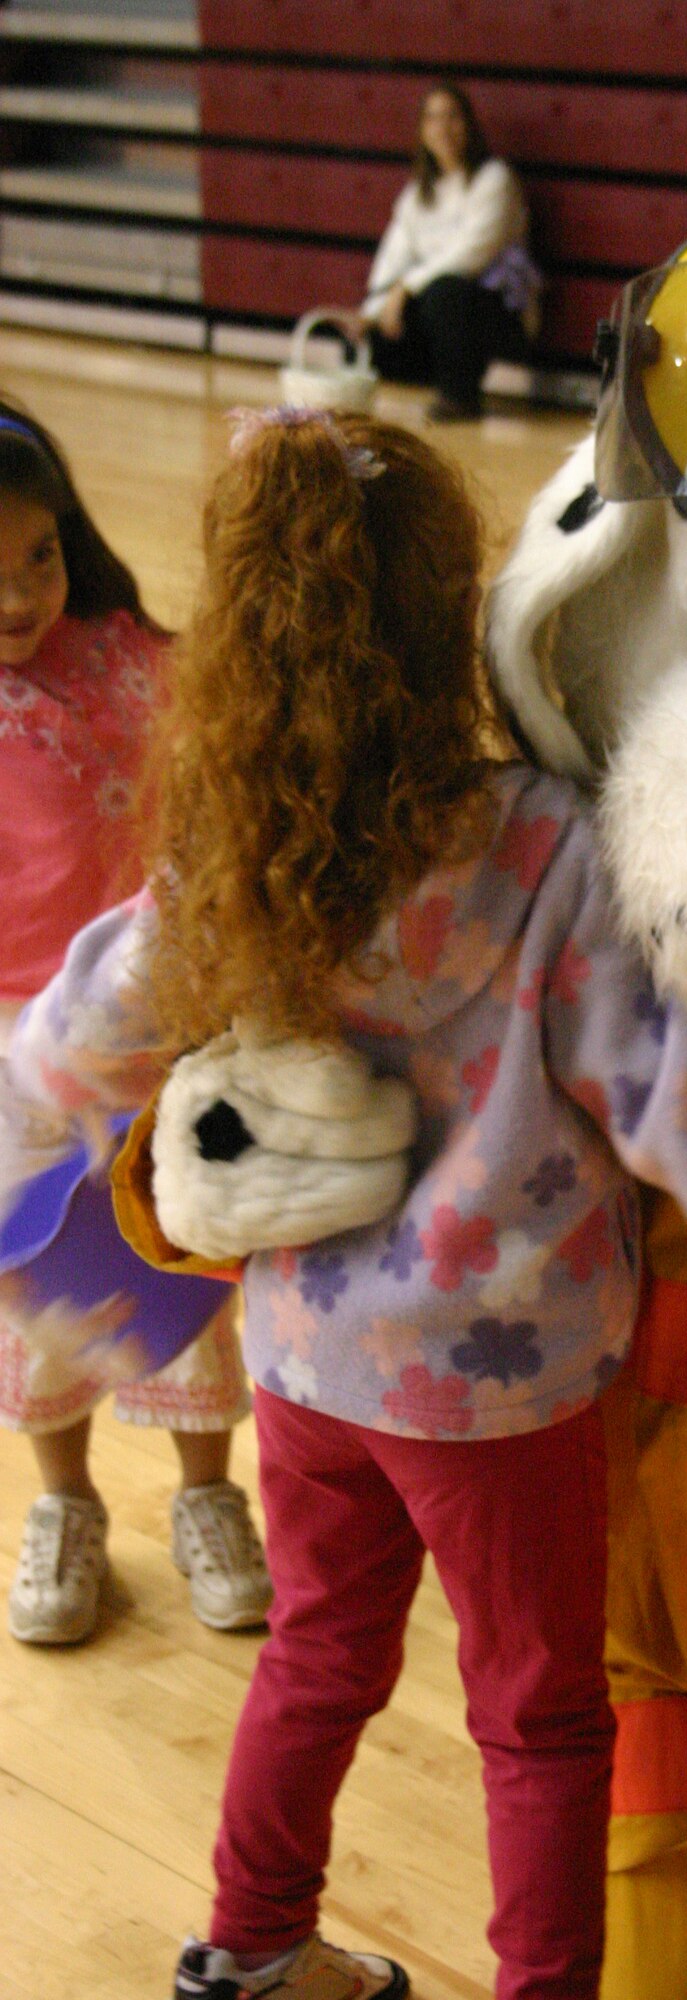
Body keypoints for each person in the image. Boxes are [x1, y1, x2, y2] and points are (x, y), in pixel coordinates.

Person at [7, 408, 687, 2000]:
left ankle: (250, 1951)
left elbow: (68, 1037)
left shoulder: (230, 853)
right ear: (453, 615)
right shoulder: (545, 849)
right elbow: (682, 1109)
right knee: (536, 1718)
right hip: (504, 1392)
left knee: (318, 1659)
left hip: (310, 1367)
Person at [0, 400, 272, 1650]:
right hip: (20, 1055)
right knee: (45, 1289)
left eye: (38, 556)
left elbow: (218, 748)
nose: (19, 595)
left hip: (160, 1026)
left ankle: (209, 1493)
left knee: (183, 1270)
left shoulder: (125, 650)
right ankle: (65, 1507)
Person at [356, 83, 540, 422]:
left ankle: (460, 397)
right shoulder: (416, 196)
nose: (442, 127)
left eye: (452, 116)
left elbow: (470, 256)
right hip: (437, 313)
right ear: (422, 131)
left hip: (496, 313)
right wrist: (369, 314)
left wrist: (406, 288)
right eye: (432, 118)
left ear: (469, 124)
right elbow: (391, 261)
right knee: (378, 333)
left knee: (445, 292)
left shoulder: (494, 179)